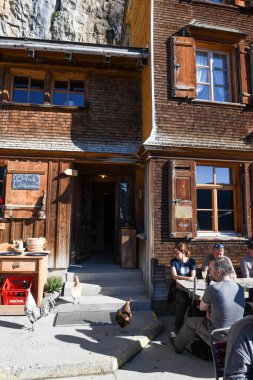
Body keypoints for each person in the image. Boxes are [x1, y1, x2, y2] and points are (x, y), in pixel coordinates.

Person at [171, 256, 245, 354]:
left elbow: (202, 308)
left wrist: (206, 301)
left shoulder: (214, 288)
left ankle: (177, 344)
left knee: (190, 322)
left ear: (218, 272)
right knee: (206, 321)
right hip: (236, 333)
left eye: (210, 269)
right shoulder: (239, 287)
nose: (209, 272)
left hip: (219, 334)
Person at [170, 242, 196, 334]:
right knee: (182, 301)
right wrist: (187, 278)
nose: (175, 255)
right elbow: (174, 276)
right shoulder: (174, 261)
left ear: (183, 252)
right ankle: (177, 327)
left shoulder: (191, 261)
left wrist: (187, 278)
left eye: (177, 253)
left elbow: (193, 276)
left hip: (190, 289)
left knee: (194, 303)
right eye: (175, 253)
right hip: (179, 289)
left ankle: (192, 326)